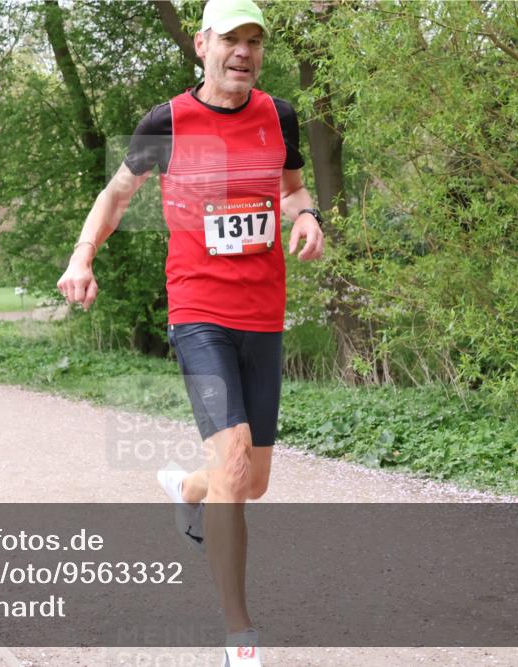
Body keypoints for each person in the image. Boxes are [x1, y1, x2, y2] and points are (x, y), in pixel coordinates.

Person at [56, 1, 324, 664]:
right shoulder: (167, 122)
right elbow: (116, 194)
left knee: (249, 479)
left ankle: (189, 488)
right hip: (198, 311)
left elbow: (291, 188)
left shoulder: (280, 115)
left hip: (262, 313)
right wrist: (81, 254)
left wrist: (307, 215)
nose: (244, 52)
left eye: (255, 41)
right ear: (202, 45)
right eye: (233, 39)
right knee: (234, 462)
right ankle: (240, 633)